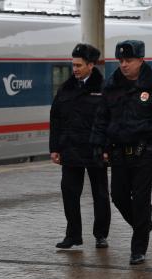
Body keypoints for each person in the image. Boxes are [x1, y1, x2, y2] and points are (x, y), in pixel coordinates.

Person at [90, 40, 152, 265]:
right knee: (119, 197)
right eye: (121, 61)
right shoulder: (111, 86)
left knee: (141, 200)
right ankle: (143, 225)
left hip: (146, 153)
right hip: (119, 152)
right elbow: (101, 119)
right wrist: (97, 146)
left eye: (129, 60)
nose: (124, 65)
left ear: (141, 60)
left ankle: (138, 249)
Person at [50, 43, 111, 250]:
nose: (74, 68)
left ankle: (101, 234)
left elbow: (110, 121)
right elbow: (56, 120)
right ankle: (73, 235)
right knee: (69, 193)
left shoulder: (104, 89)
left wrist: (107, 149)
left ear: (91, 65)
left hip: (95, 151)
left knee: (100, 194)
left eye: (79, 65)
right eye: (73, 64)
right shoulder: (65, 89)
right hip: (70, 150)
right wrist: (55, 148)